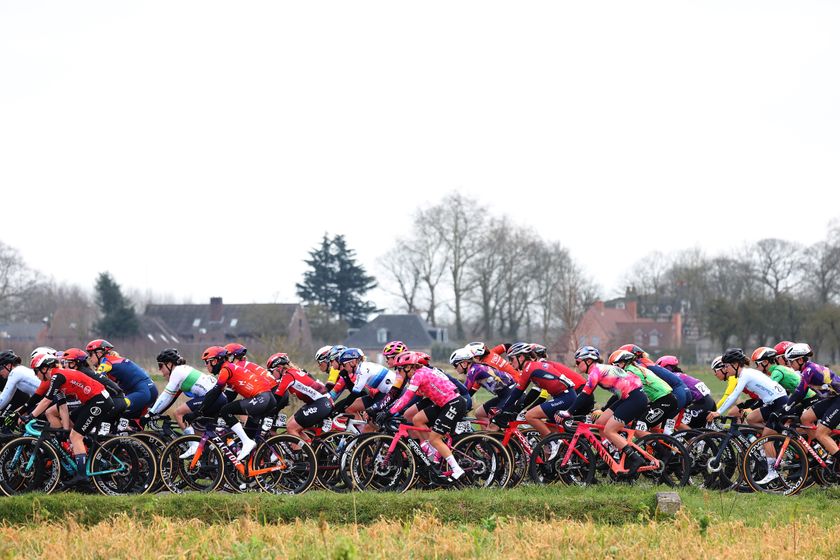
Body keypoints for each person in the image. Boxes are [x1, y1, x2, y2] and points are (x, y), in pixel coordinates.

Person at [23, 353, 115, 486]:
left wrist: (30, 416)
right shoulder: (58, 377)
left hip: (99, 401)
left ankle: (82, 476)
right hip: (93, 401)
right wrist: (65, 430)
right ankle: (83, 450)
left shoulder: (57, 376)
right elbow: (63, 406)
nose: (35, 375)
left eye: (35, 371)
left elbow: (46, 401)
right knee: (72, 431)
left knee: (76, 436)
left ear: (44, 369)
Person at [706, 348, 788, 484]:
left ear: (736, 364)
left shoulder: (745, 374)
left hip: (779, 402)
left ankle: (772, 471)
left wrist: (718, 412)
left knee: (766, 438)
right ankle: (773, 437)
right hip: (771, 403)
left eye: (727, 366)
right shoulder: (744, 374)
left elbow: (734, 395)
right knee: (750, 419)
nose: (726, 369)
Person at [384, 351, 468, 479]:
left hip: (454, 403)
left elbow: (406, 398)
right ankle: (433, 452)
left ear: (409, 367)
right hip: (445, 403)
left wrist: (389, 412)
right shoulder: (420, 372)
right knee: (417, 419)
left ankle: (457, 470)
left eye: (400, 369)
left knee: (435, 438)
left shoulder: (419, 375)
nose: (398, 372)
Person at [568, 346, 648, 473]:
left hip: (634, 398)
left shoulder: (596, 371)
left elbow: (584, 395)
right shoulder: (599, 369)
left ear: (588, 361)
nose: (576, 365)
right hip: (627, 397)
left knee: (610, 430)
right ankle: (609, 455)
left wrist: (568, 412)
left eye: (578, 362)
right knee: (600, 423)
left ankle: (635, 458)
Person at [197, 346, 277, 461]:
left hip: (262, 399)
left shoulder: (226, 369)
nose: (206, 365)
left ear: (215, 361)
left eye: (207, 362)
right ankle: (253, 464)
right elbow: (225, 395)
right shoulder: (232, 367)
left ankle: (247, 443)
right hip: (268, 398)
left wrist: (199, 411)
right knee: (250, 432)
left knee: (226, 410)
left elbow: (215, 393)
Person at [146, 348, 225, 458]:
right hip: (217, 398)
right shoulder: (183, 370)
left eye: (160, 366)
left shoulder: (177, 372)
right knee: (199, 429)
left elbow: (166, 395)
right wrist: (155, 411)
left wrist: (151, 413)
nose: (160, 370)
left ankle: (193, 446)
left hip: (213, 398)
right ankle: (208, 457)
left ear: (169, 364)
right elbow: (170, 399)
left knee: (179, 413)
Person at [497, 342, 583, 437]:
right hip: (565, 396)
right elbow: (530, 393)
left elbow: (517, 392)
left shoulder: (529, 368)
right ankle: (554, 446)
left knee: (530, 416)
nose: (509, 362)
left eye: (511, 359)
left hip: (566, 397)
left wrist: (502, 409)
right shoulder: (534, 366)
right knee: (547, 430)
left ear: (521, 357)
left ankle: (553, 442)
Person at [782, 343, 840, 466]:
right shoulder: (807, 369)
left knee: (821, 433)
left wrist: (786, 407)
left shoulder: (809, 370)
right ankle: (820, 451)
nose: (790, 365)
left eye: (791, 362)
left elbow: (800, 391)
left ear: (800, 360)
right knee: (805, 418)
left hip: (838, 399)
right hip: (833, 398)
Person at [267, 352, 333, 442]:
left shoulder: (288, 376)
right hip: (321, 402)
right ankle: (307, 450)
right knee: (291, 424)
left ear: (279, 368)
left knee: (291, 428)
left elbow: (276, 399)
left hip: (321, 403)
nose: (272, 374)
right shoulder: (295, 371)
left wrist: (266, 412)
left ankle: (301, 453)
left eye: (271, 371)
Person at [86, 339, 158, 418]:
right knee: (132, 422)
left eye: (90, 354)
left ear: (99, 353)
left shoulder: (106, 362)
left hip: (140, 392)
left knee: (110, 409)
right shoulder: (114, 359)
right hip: (149, 389)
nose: (89, 358)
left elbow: (96, 379)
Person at [609, 349, 677, 432]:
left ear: (623, 363)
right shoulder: (636, 368)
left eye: (615, 365)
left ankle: (655, 444)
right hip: (664, 400)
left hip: (665, 401)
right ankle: (652, 443)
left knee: (639, 429)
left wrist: (607, 409)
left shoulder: (629, 372)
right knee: (641, 425)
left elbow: (621, 395)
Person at [451, 347, 515, 428]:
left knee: (492, 427)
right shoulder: (476, 367)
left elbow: (464, 390)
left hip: (510, 393)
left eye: (455, 365)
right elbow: (468, 392)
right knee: (480, 413)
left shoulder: (474, 370)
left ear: (464, 363)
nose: (454, 368)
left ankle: (492, 438)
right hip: (504, 395)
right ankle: (492, 437)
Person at [655, 355, 715, 429]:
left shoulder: (672, 377)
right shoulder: (680, 375)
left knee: (676, 422)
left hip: (701, 404)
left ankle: (695, 439)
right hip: (708, 402)